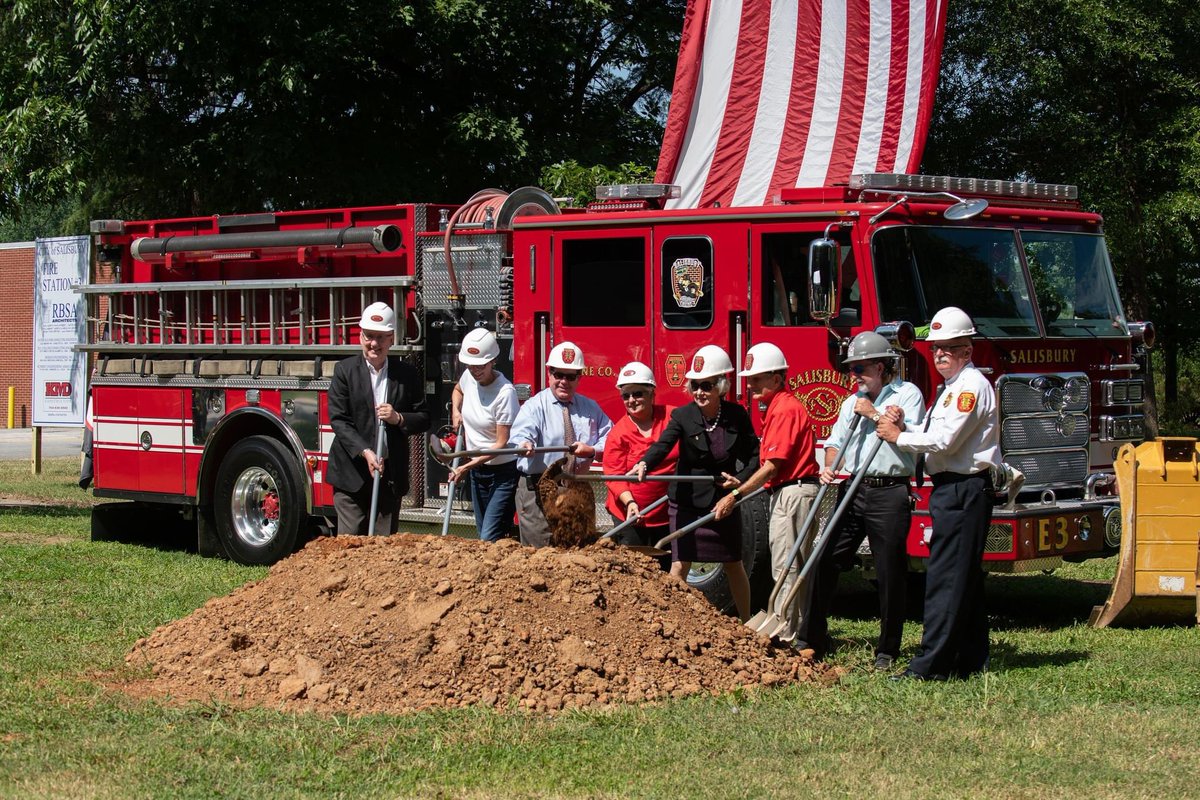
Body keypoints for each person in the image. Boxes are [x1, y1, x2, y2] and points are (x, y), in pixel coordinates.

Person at [877, 306, 1001, 680]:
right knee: (964, 579)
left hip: (963, 488)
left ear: (968, 351)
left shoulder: (970, 388)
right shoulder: (952, 388)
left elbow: (945, 440)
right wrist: (907, 425)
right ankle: (970, 659)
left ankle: (931, 667)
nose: (940, 354)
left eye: (950, 347)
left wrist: (900, 437)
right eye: (935, 349)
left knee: (946, 580)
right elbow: (938, 432)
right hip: (956, 489)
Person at [795, 332, 925, 669]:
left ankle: (887, 650)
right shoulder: (849, 401)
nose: (854, 376)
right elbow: (836, 442)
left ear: (881, 367)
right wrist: (828, 466)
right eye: (851, 369)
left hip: (889, 490)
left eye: (860, 369)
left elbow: (904, 435)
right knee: (824, 558)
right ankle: (811, 637)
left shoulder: (907, 394)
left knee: (889, 571)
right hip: (852, 487)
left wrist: (871, 411)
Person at [635, 345, 759, 621]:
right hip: (687, 501)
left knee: (733, 564)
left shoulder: (736, 416)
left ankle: (747, 622)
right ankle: (670, 623)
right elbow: (663, 444)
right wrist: (645, 462)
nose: (700, 392)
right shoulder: (683, 416)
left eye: (707, 385)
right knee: (679, 565)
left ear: (721, 386)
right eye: (695, 385)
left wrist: (739, 480)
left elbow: (754, 457)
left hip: (723, 501)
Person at [712, 342, 817, 635]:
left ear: (776, 378)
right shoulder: (779, 407)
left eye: (757, 379)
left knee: (786, 565)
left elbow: (773, 465)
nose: (751, 386)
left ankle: (786, 633)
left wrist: (736, 494)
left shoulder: (783, 409)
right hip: (788, 490)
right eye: (749, 380)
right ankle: (792, 628)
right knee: (787, 563)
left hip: (793, 492)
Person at [327, 301, 430, 535]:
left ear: (392, 338)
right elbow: (339, 419)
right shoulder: (344, 371)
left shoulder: (406, 374)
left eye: (381, 337)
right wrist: (365, 451)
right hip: (351, 476)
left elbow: (424, 417)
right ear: (360, 336)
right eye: (369, 336)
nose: (374, 343)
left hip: (389, 476)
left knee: (384, 550)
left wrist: (398, 418)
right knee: (351, 544)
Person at [509, 341, 612, 548]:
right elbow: (522, 433)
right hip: (538, 489)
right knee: (540, 553)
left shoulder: (590, 408)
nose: (564, 381)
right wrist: (525, 444)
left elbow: (611, 436)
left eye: (571, 376)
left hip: (575, 487)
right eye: (559, 375)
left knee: (578, 547)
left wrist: (593, 450)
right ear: (549, 374)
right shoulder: (534, 406)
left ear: (579, 378)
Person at [601, 362, 677, 568]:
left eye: (638, 393)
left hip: (666, 511)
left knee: (667, 567)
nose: (632, 400)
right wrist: (630, 503)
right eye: (626, 396)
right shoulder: (618, 433)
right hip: (630, 514)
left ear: (652, 394)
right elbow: (613, 475)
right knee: (635, 569)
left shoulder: (672, 417)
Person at [448, 328, 520, 542]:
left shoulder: (505, 393)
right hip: (478, 470)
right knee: (483, 534)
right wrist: (456, 411)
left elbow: (501, 443)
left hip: (503, 472)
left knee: (489, 535)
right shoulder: (469, 377)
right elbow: (458, 389)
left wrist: (465, 466)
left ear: (493, 362)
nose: (475, 370)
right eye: (470, 365)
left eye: (480, 366)